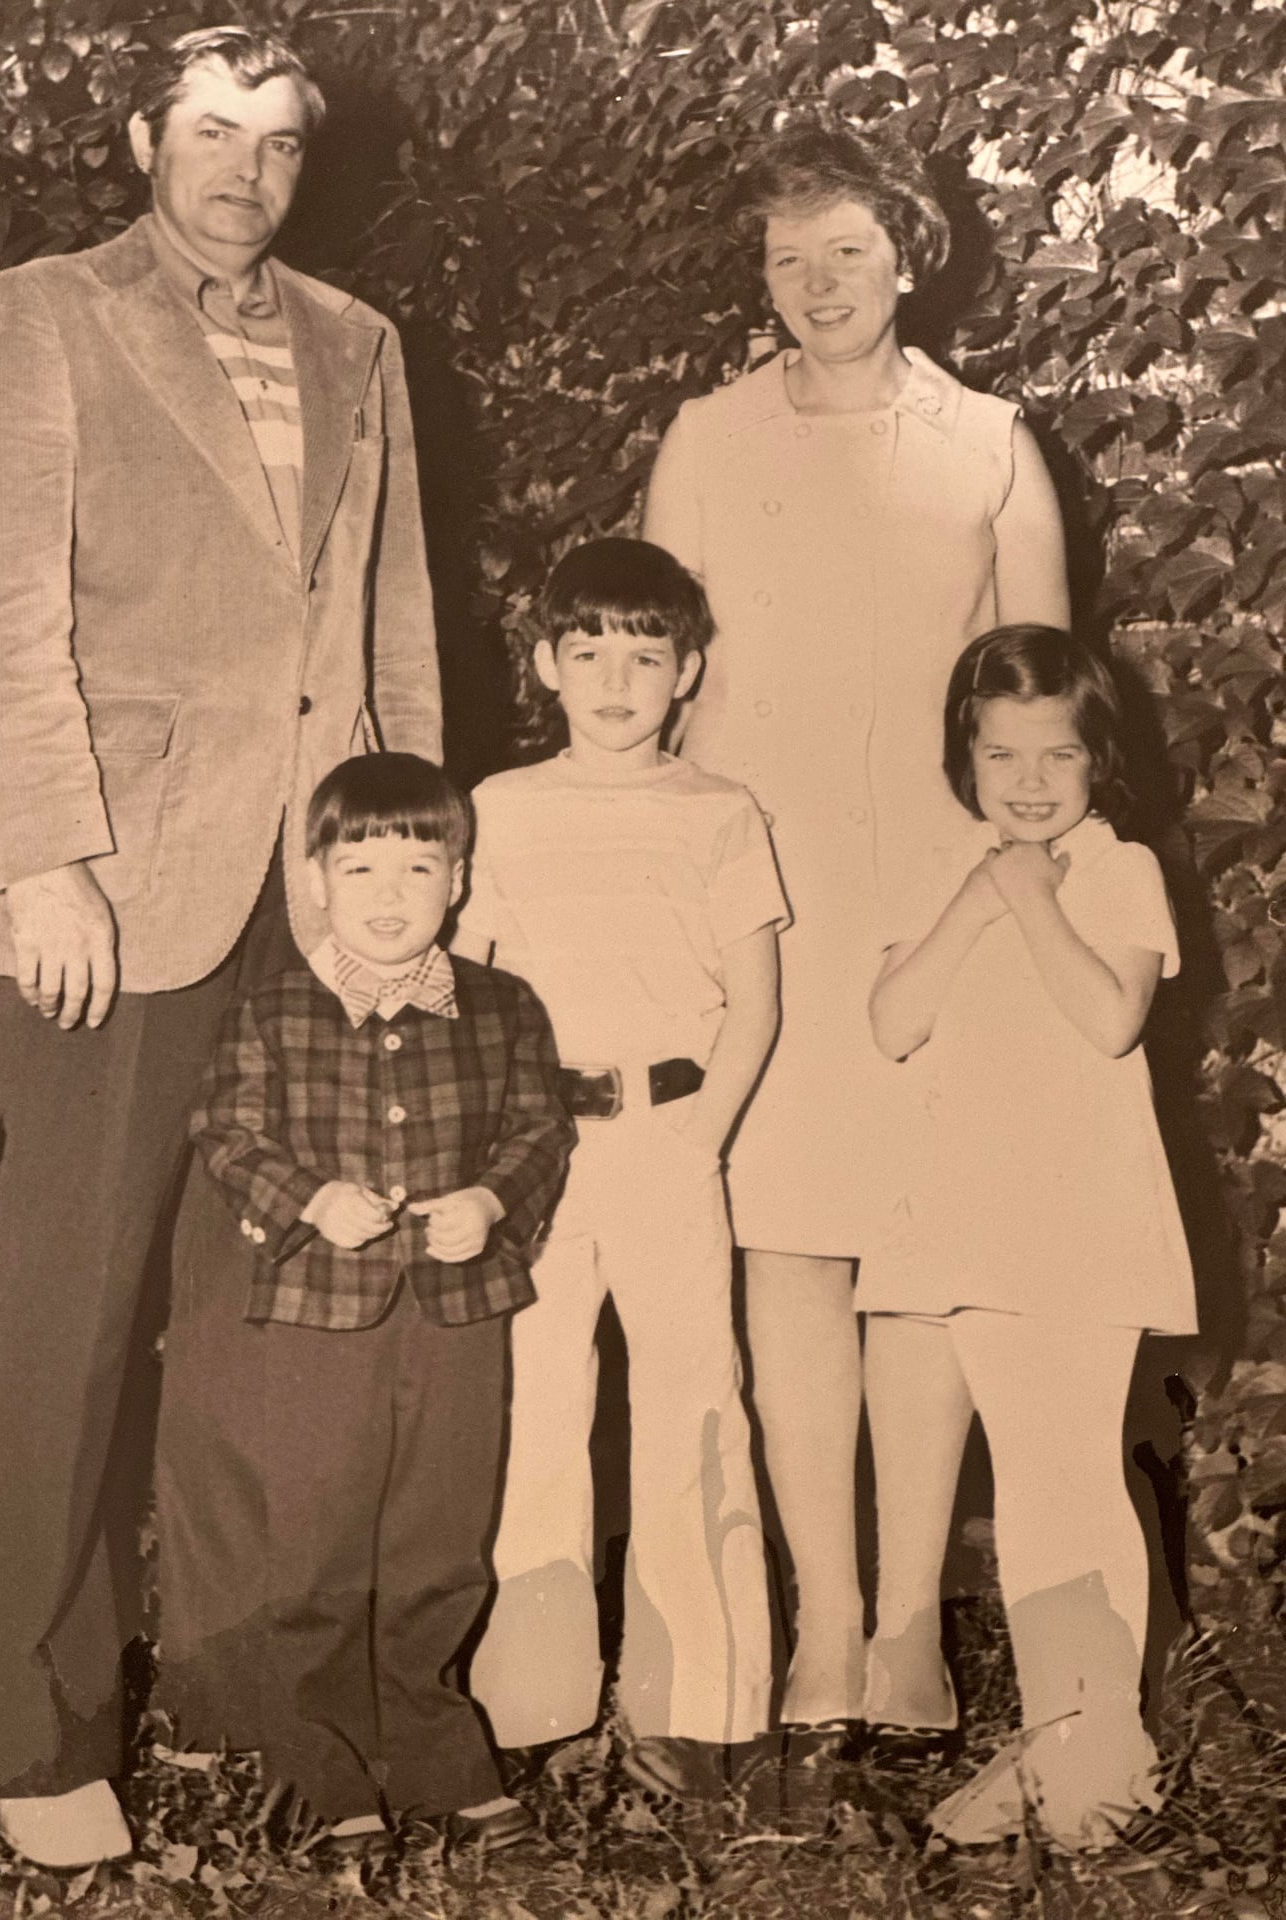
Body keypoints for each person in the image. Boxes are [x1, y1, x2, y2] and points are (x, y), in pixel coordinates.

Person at [0, 26, 440, 1867]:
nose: (243, 171)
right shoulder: (45, 314)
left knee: (272, 1336)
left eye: (279, 144)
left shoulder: (358, 344)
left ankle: (253, 1699)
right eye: (211, 133)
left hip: (307, 907)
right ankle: (40, 1740)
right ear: (147, 137)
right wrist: (44, 857)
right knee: (70, 1319)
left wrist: (404, 887)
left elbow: (389, 637)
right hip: (111, 897)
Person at [642, 114, 1070, 1741]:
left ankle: (907, 1629)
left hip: (946, 907)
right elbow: (661, 697)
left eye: (846, 249)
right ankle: (818, 1620)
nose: (817, 282)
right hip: (769, 905)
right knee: (788, 1248)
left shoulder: (990, 444)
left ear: (908, 254)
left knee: (926, 1256)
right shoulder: (705, 441)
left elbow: (1041, 703)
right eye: (787, 256)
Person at [152, 752, 573, 1853]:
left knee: (441, 1539)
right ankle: (320, 1756)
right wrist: (311, 1197)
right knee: (320, 1540)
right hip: (316, 1316)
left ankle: (433, 1746)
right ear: (318, 882)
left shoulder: (502, 1006)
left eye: (418, 867)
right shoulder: (275, 1011)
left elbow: (542, 1130)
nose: (390, 896)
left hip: (458, 1314)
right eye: (362, 867)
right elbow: (226, 1131)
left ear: (460, 880)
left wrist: (489, 1199)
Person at [457, 539, 786, 1799]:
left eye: (645, 657)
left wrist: (698, 1142)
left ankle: (699, 1705)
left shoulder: (720, 811)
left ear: (686, 672)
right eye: (587, 653)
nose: (615, 680)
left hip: (668, 1138)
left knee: (695, 1404)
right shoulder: (501, 807)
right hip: (536, 1150)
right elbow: (471, 994)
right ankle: (530, 1702)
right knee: (537, 1408)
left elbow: (753, 1004)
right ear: (546, 665)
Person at [859, 625, 1196, 1846]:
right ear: (968, 756)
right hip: (974, 1221)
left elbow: (1111, 1019)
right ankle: (1068, 1738)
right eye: (1003, 754)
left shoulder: (1120, 869)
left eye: (1057, 753)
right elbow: (892, 1020)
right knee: (1032, 1486)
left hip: (1081, 1218)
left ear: (1097, 759)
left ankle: (1101, 1761)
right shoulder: (956, 867)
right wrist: (979, 895)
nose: (1031, 781)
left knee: (1069, 1483)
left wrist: (1030, 900)